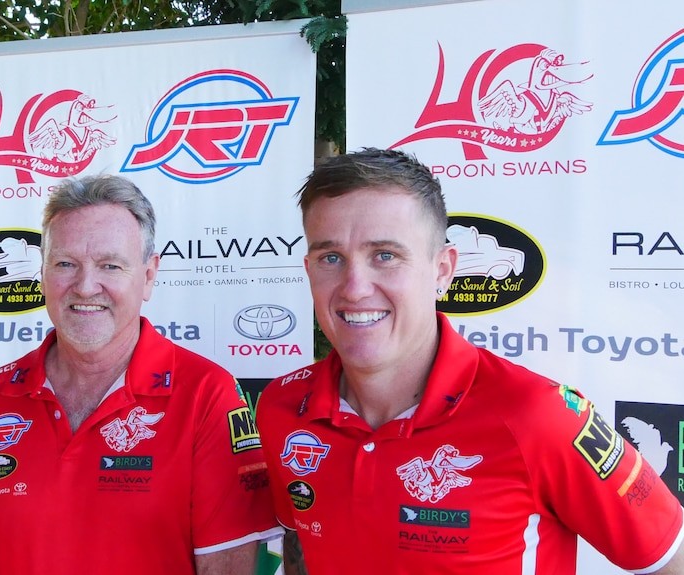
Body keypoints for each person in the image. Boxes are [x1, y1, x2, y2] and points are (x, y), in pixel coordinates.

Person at [256, 148, 684, 575]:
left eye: (385, 255)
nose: (354, 287)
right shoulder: (282, 406)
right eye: (331, 258)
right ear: (309, 269)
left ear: (442, 270)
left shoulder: (538, 414)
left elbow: (669, 559)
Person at [0, 174, 281, 575]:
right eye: (65, 264)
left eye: (109, 265)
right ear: (42, 273)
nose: (85, 286)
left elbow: (229, 569)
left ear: (148, 276)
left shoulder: (207, 395)